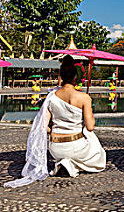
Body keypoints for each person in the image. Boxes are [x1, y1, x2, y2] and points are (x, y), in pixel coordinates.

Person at [4, 55, 106, 188]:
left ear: (61, 77)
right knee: (98, 155)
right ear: (76, 77)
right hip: (76, 146)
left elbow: (44, 127)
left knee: (70, 150)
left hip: (55, 148)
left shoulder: (51, 97)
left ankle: (65, 162)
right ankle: (71, 164)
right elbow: (90, 126)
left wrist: (55, 130)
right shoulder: (84, 98)